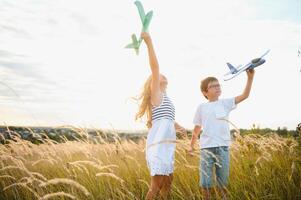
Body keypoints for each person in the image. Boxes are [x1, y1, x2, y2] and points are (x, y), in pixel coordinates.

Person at [189, 69, 255, 200]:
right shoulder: (201, 107)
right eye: (213, 86)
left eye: (218, 85)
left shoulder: (225, 103)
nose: (217, 87)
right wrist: (191, 146)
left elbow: (245, 95)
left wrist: (250, 78)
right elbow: (197, 128)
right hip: (206, 149)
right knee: (206, 183)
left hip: (223, 148)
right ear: (205, 92)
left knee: (222, 183)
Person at [135, 32, 186, 200]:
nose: (161, 74)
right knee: (156, 186)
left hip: (168, 144)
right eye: (158, 77)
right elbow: (155, 67)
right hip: (158, 145)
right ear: (154, 82)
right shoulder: (156, 93)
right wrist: (149, 42)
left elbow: (169, 119)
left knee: (168, 182)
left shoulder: (166, 98)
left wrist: (182, 129)